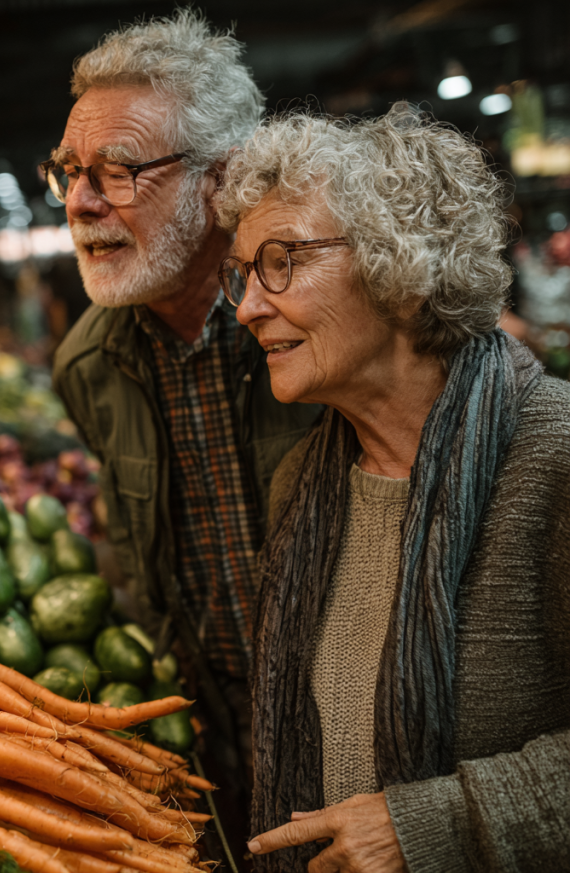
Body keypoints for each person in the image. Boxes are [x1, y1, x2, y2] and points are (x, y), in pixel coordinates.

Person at [214, 104, 570, 873]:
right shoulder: (302, 489)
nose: (246, 306)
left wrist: (430, 825)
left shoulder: (553, 458)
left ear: (402, 269)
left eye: (281, 260)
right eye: (242, 272)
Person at [49, 9, 319, 787]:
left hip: (364, 743)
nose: (79, 203)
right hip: (222, 754)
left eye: (118, 170)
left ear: (222, 177)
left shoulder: (320, 325)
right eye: (69, 170)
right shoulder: (88, 365)